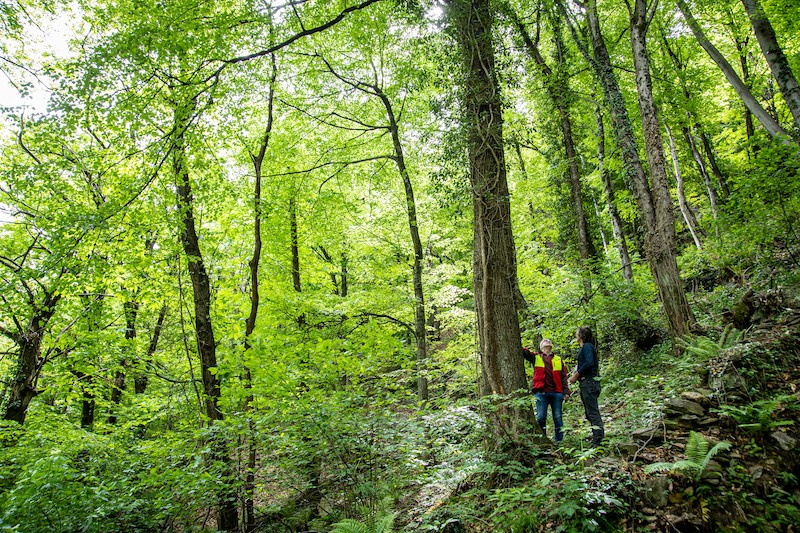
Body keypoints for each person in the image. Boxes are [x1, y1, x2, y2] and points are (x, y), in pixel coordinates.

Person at [523, 339, 570, 442]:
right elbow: (525, 353)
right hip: (541, 392)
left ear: (551, 346)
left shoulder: (558, 359)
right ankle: (543, 439)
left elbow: (564, 377)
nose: (546, 342)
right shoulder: (536, 357)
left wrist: (566, 392)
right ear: (541, 347)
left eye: (548, 342)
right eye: (544, 342)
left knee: (558, 418)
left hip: (556, 392)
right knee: (540, 417)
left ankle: (559, 441)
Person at [568, 326, 604, 447]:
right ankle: (596, 436)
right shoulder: (587, 348)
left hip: (589, 383)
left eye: (577, 333)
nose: (575, 335)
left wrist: (576, 375)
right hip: (587, 383)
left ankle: (598, 441)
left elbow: (589, 363)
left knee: (592, 413)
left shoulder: (587, 347)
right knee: (589, 413)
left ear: (581, 336)